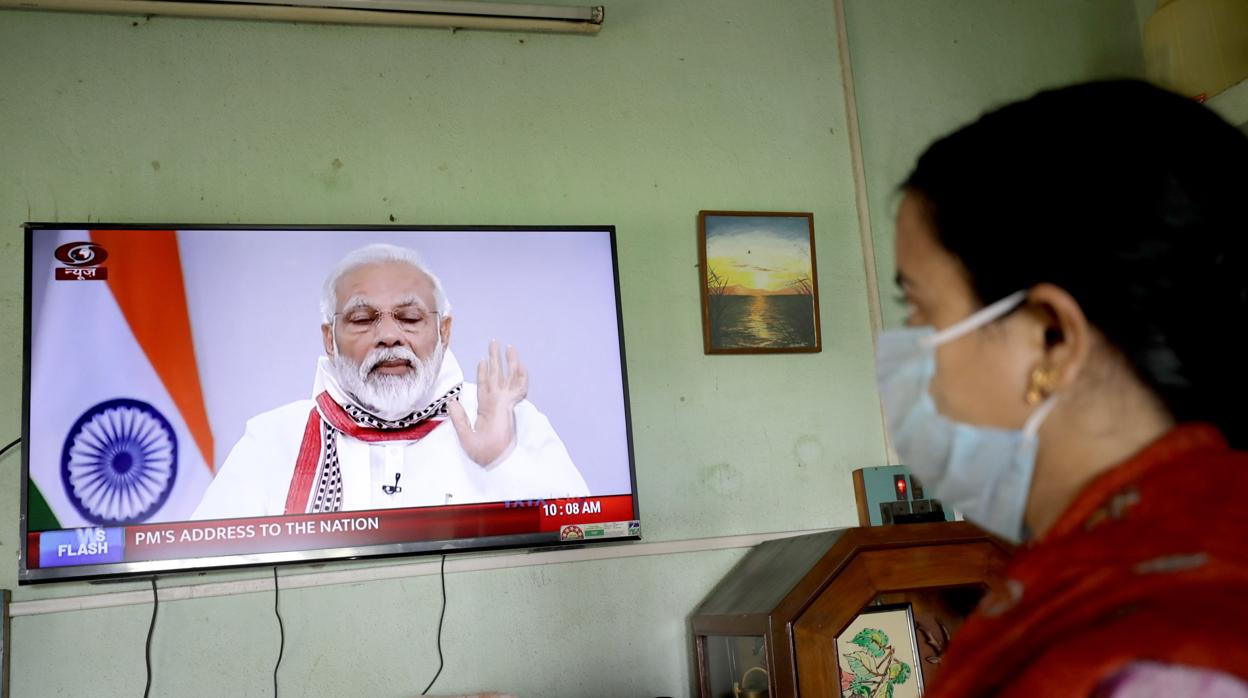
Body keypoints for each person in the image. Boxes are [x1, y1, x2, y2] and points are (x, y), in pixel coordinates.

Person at [875, 80, 1248, 697]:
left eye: (916, 306)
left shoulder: (1160, 665)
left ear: (1052, 339)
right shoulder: (1103, 576)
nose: (905, 344)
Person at [194, 243, 589, 518]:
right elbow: (203, 568)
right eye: (364, 319)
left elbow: (585, 542)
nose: (389, 335)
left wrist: (503, 462)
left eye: (410, 318)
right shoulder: (271, 440)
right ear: (329, 338)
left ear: (445, 331)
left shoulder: (512, 422)